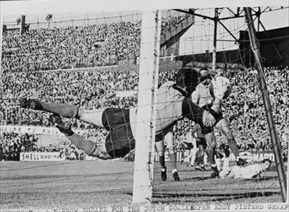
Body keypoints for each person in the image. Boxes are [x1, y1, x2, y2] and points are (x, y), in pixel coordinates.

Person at [20, 68, 221, 161]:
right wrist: (218, 98)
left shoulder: (165, 86)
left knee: (81, 112)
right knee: (101, 153)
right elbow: (208, 121)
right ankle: (67, 132)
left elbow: (183, 84)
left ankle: (41, 104)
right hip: (132, 133)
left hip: (124, 113)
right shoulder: (186, 106)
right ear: (191, 86)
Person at [191, 67, 246, 177]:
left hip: (215, 112)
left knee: (229, 133)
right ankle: (213, 166)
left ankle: (238, 158)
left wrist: (219, 73)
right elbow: (193, 107)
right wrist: (198, 122)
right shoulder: (197, 90)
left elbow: (220, 78)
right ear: (200, 78)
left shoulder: (215, 84)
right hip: (204, 116)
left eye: (207, 76)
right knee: (212, 145)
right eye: (203, 77)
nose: (206, 79)